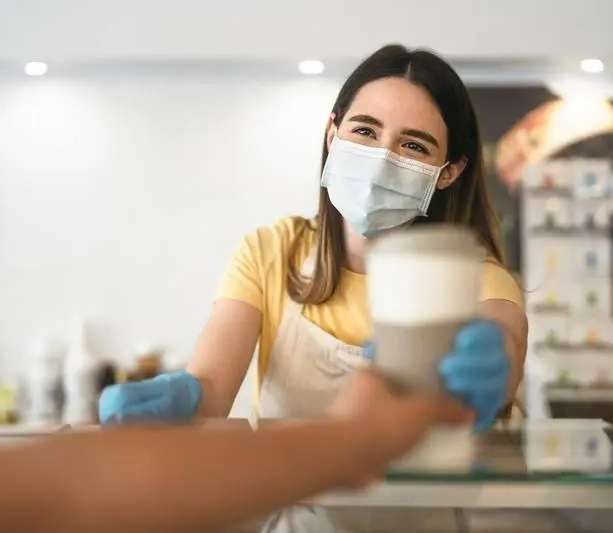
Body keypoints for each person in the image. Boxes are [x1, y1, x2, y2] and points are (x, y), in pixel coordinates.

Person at [100, 44, 527, 429]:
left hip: (425, 516)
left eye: (413, 146)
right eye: (365, 131)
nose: (381, 160)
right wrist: (184, 399)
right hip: (295, 512)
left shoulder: (476, 278)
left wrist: (496, 366)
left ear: (448, 171)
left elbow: (504, 341)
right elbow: (210, 389)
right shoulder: (271, 251)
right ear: (332, 133)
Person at [2, 371, 471, 533]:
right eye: (364, 135)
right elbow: (65, 493)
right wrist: (355, 439)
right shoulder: (273, 249)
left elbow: (62, 490)